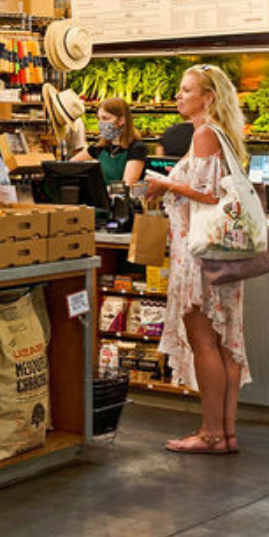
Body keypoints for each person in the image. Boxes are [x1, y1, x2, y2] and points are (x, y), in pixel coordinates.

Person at [143, 64, 251, 455]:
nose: (179, 95)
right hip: (224, 252)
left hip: (200, 254)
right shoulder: (223, 134)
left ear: (209, 97)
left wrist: (164, 183)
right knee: (226, 343)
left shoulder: (205, 134)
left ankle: (210, 434)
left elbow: (208, 194)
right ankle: (226, 433)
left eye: (187, 90)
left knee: (204, 342)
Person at [73, 97, 147, 185]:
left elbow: (127, 185)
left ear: (121, 120)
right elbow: (70, 165)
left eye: (105, 118)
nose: (101, 123)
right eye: (99, 119)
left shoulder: (137, 148)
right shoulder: (99, 147)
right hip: (101, 193)